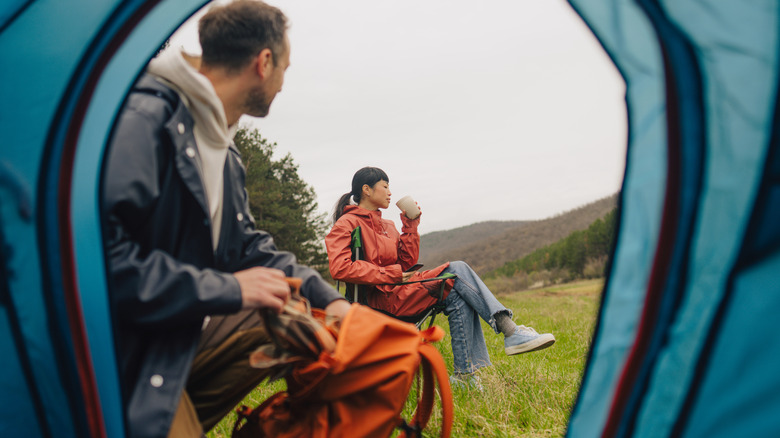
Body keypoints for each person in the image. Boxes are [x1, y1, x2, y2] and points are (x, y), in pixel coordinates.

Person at [102, 2, 350, 437]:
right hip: (118, 350)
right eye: (284, 69)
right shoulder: (144, 119)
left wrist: (331, 301)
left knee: (294, 315)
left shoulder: (221, 145)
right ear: (264, 62)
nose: (282, 85)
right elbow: (98, 262)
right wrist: (228, 289)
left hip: (171, 331)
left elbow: (246, 247)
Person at [325, 167, 555, 389]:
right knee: (457, 269)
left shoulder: (388, 225)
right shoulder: (347, 223)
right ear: (366, 189)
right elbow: (340, 268)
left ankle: (465, 376)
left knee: (456, 294)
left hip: (399, 292)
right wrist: (391, 274)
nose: (390, 192)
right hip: (376, 301)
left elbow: (405, 263)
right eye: (385, 186)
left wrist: (410, 226)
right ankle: (511, 331)